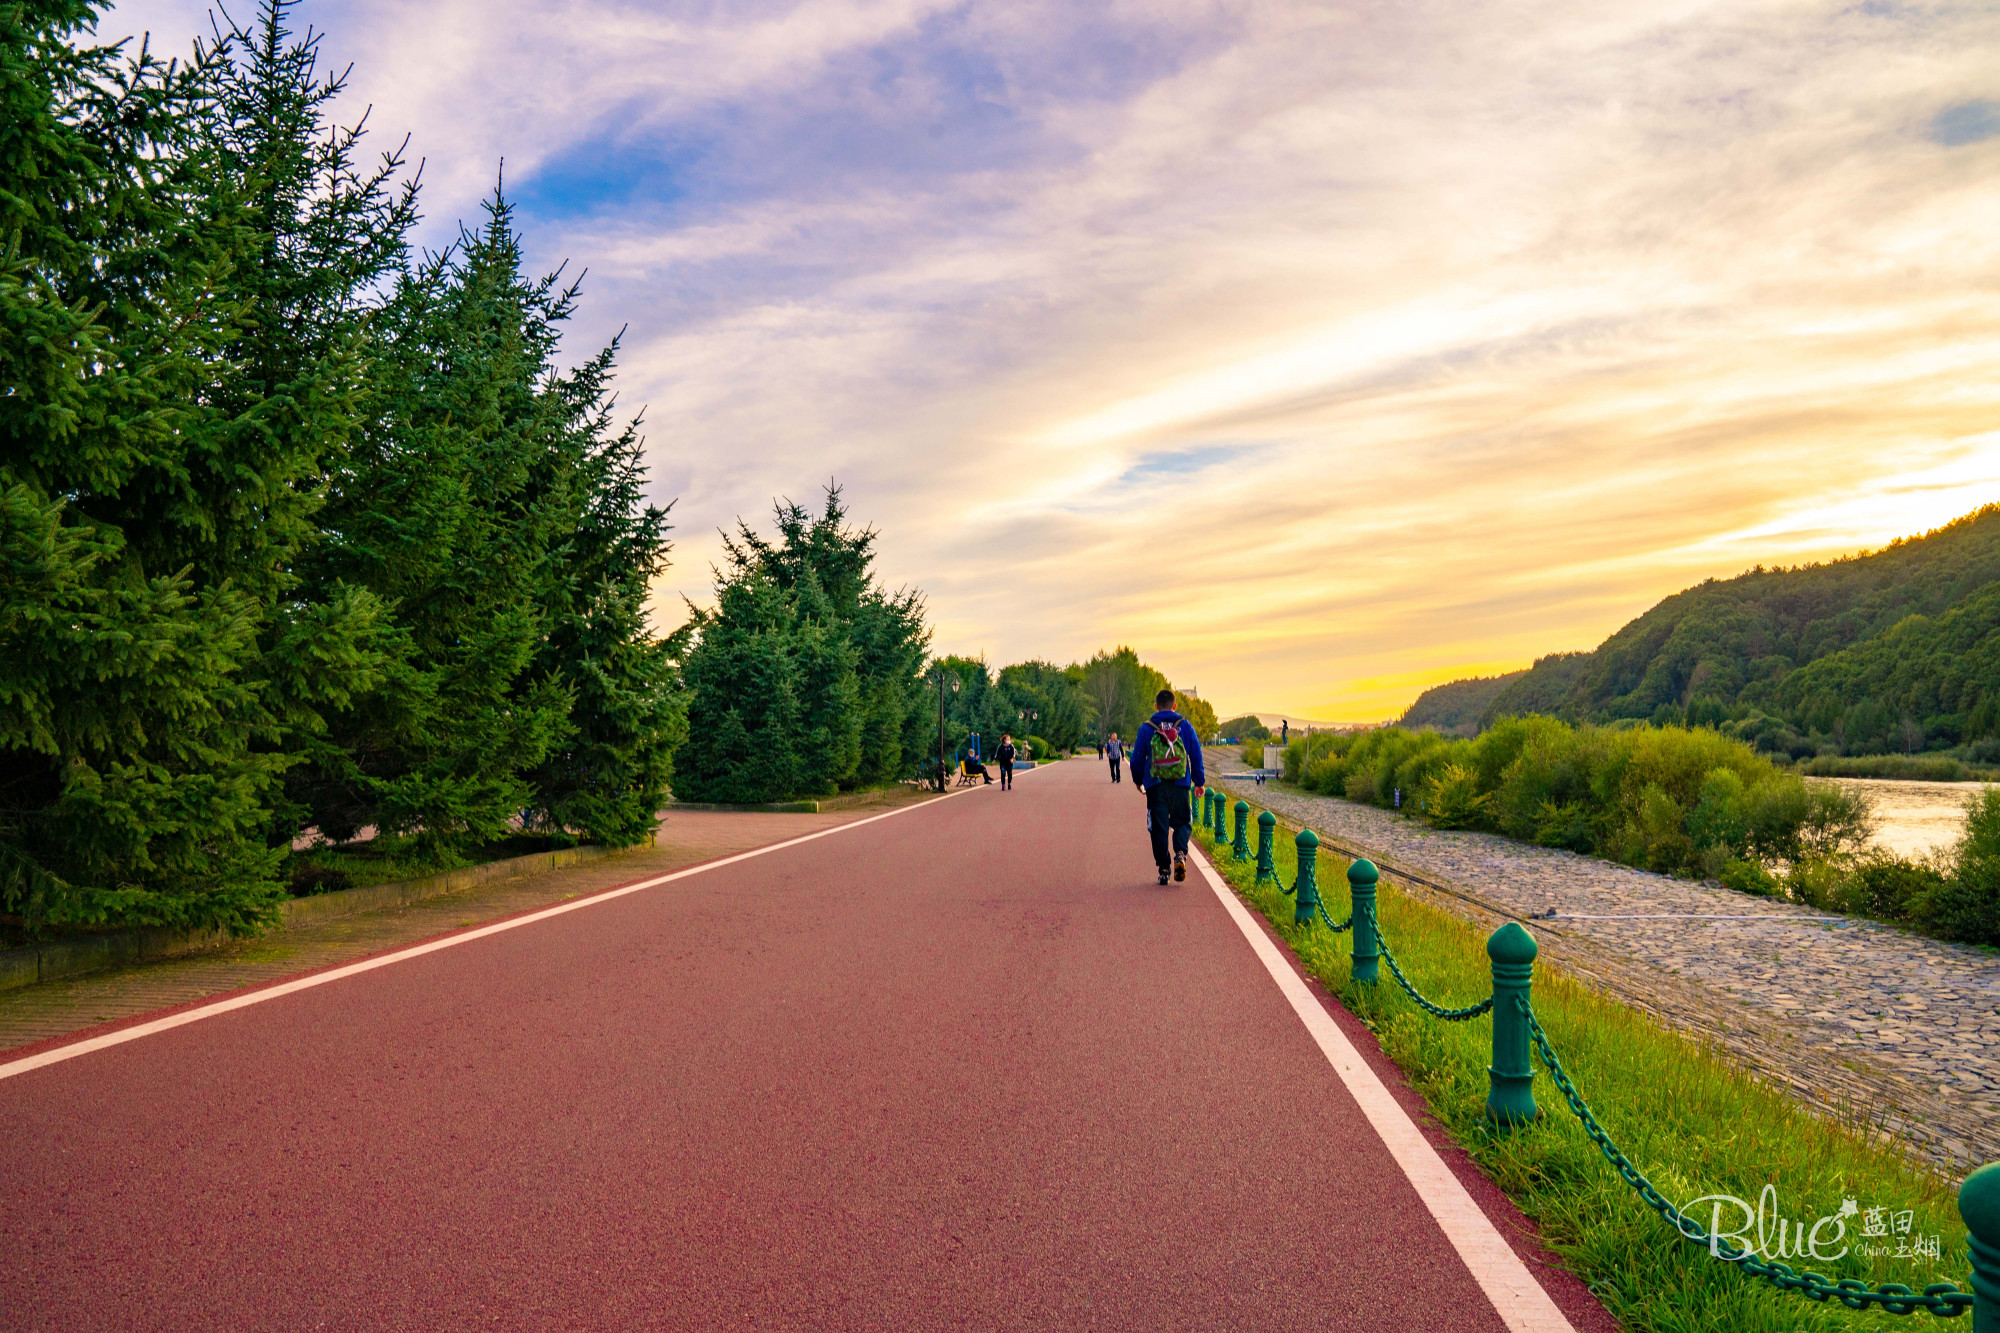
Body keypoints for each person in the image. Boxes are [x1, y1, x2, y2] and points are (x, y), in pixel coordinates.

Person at [1132, 689, 1205, 885]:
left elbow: (1137, 758)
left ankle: (1164, 869)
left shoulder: (1147, 728)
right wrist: (1199, 782)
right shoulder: (1185, 726)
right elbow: (1196, 755)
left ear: (1156, 706)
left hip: (1155, 785)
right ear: (1175, 706)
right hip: (1181, 784)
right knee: (1182, 822)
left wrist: (1138, 781)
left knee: (1158, 827)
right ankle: (1180, 853)